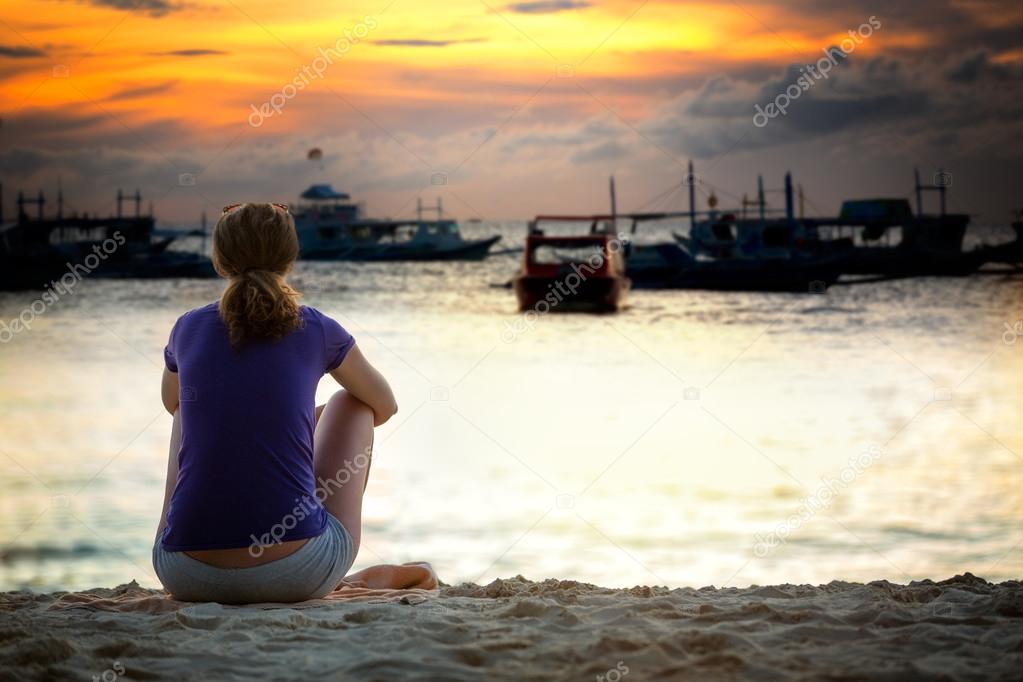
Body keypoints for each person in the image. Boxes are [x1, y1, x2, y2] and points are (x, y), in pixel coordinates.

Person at [153, 202, 397, 603]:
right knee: (353, 404)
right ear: (291, 258)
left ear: (220, 260)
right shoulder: (317, 327)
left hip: (184, 575)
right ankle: (317, 549)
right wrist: (311, 425)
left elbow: (170, 402)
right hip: (295, 573)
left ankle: (189, 539)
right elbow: (384, 405)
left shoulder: (188, 327)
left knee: (187, 409)